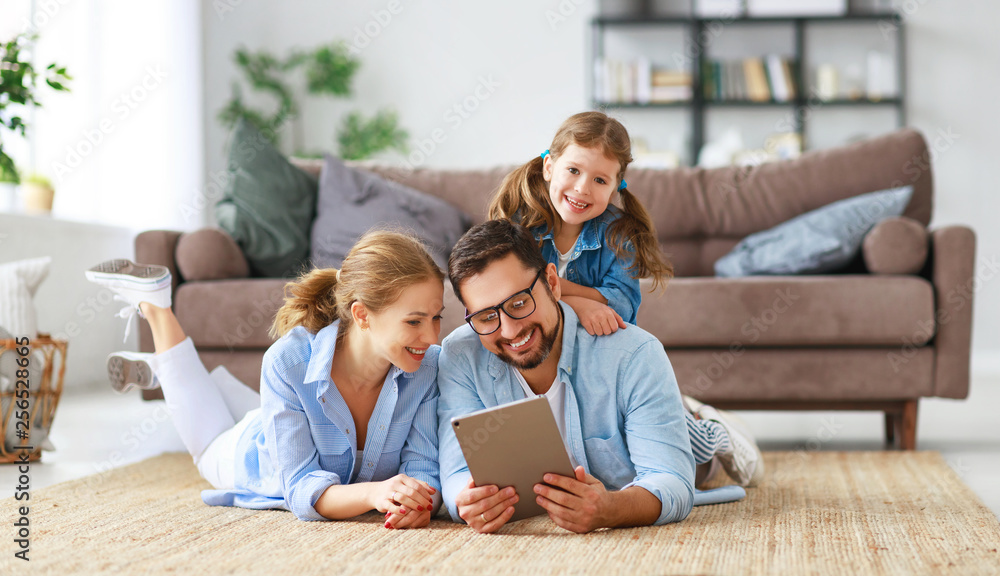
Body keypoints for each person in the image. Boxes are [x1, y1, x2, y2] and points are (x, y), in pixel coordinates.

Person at [85, 230, 443, 529]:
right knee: (207, 443)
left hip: (280, 414)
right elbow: (301, 488)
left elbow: (425, 467)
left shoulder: (427, 367)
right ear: (362, 315)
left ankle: (162, 368)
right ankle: (156, 308)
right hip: (250, 450)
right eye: (414, 322)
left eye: (437, 318)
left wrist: (418, 501)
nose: (432, 338)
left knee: (254, 406)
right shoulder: (287, 363)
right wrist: (373, 493)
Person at [489, 111, 763, 490]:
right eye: (573, 171)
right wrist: (581, 303)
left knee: (675, 454)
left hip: (605, 359)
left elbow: (619, 306)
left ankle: (708, 430)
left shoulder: (618, 233)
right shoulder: (520, 224)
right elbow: (505, 290)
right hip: (553, 357)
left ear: (617, 185)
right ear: (549, 166)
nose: (583, 188)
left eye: (600, 180)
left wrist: (558, 296)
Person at [437, 219, 697, 534]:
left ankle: (704, 420)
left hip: (698, 439)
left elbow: (673, 480)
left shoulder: (635, 354)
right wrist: (465, 500)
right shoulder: (460, 355)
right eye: (486, 316)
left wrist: (610, 509)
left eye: (519, 303)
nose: (509, 330)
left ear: (552, 282)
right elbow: (454, 471)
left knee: (708, 445)